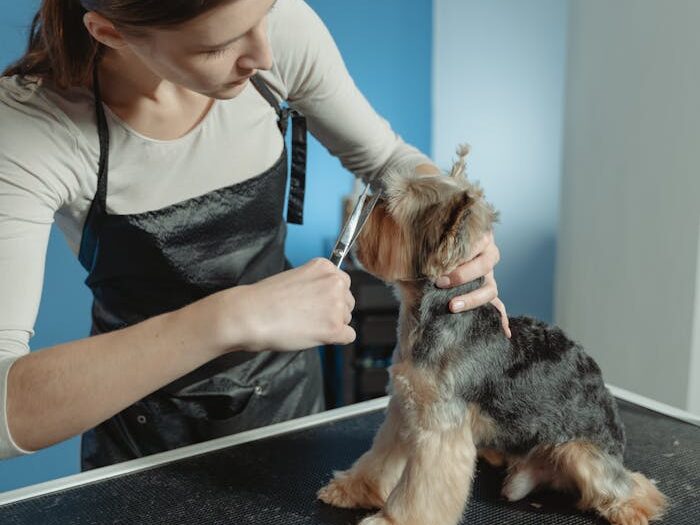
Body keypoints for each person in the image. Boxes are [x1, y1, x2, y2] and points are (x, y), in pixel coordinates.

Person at [0, 0, 509, 469]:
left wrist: (462, 237)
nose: (264, 54)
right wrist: (229, 318)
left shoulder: (276, 31)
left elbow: (386, 162)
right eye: (217, 46)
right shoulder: (30, 128)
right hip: (145, 444)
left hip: (291, 408)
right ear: (110, 32)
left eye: (265, 10)